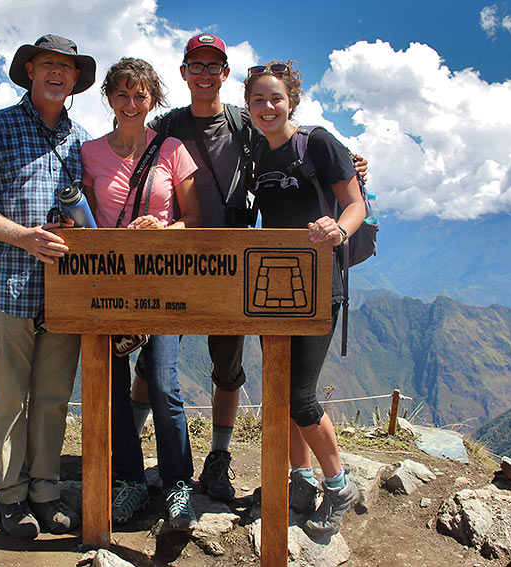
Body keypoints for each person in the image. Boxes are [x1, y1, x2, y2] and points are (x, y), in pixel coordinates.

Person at [133, 33, 369, 504]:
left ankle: (220, 460)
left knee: (229, 367)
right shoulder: (165, 126)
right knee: (152, 362)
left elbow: (320, 166)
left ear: (224, 73)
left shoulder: (247, 124)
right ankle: (129, 462)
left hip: (239, 263)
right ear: (183, 73)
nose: (204, 74)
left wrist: (354, 169)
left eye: (213, 66)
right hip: (177, 259)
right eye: (195, 66)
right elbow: (127, 151)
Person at [0, 34, 96, 539]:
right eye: (48, 65)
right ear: (30, 71)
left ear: (76, 79)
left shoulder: (82, 140)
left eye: (67, 66)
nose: (58, 73)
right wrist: (25, 238)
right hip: (8, 287)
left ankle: (46, 491)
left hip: (66, 294)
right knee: (11, 397)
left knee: (54, 397)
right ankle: (10, 496)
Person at [243, 60, 365, 536]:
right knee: (278, 390)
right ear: (248, 106)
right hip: (272, 286)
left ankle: (339, 485)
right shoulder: (256, 152)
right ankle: (299, 480)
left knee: (299, 395)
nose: (268, 107)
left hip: (318, 287)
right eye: (258, 100)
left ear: (291, 100)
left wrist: (338, 228)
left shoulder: (316, 142)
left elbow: (355, 203)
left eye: (276, 98)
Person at [81, 57, 203, 530]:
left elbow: (194, 219)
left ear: (153, 100)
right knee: (111, 389)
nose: (132, 104)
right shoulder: (90, 153)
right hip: (108, 288)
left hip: (163, 286)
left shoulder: (172, 150)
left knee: (164, 385)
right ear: (110, 98)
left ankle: (177, 487)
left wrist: (164, 228)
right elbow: (84, 221)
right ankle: (128, 481)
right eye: (123, 95)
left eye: (141, 95)